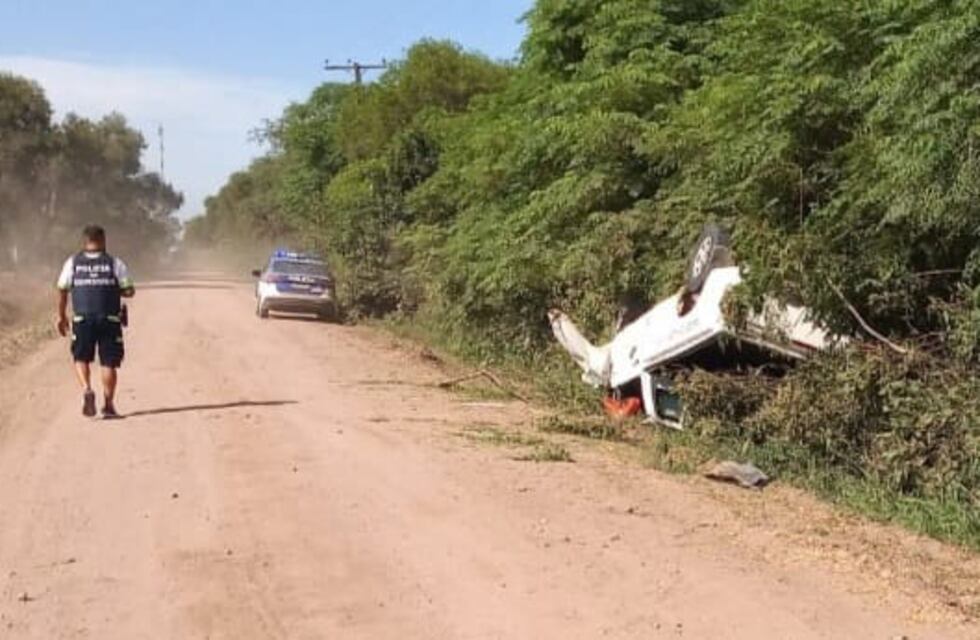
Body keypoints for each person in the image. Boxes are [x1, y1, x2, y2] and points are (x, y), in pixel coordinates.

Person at [56, 225, 135, 418]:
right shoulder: (114, 263)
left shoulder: (72, 263)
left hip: (82, 319)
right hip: (109, 318)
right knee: (108, 362)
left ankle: (87, 390)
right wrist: (115, 289)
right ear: (103, 240)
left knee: (81, 358)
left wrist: (61, 316)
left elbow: (62, 289)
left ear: (85, 241)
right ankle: (108, 405)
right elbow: (129, 290)